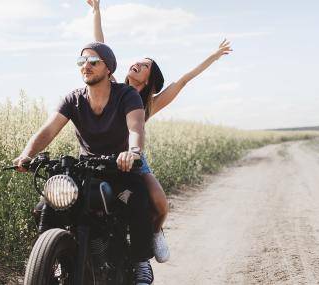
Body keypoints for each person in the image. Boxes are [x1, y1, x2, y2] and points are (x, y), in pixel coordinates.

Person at [86, 0, 233, 263]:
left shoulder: (150, 103)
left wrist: (213, 56)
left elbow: (184, 79)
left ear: (148, 80)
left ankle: (152, 237)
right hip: (103, 158)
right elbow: (101, 46)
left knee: (161, 205)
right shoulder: (114, 87)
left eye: (144, 66)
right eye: (137, 62)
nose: (137, 65)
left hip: (134, 159)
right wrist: (96, 10)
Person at [14, 42, 155, 285]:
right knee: (44, 207)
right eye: (82, 62)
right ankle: (49, 259)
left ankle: (142, 260)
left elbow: (136, 128)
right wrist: (26, 155)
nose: (86, 66)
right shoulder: (73, 98)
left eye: (93, 62)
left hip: (118, 168)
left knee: (139, 198)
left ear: (109, 68)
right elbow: (48, 130)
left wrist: (131, 152)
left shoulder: (126, 94)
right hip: (85, 170)